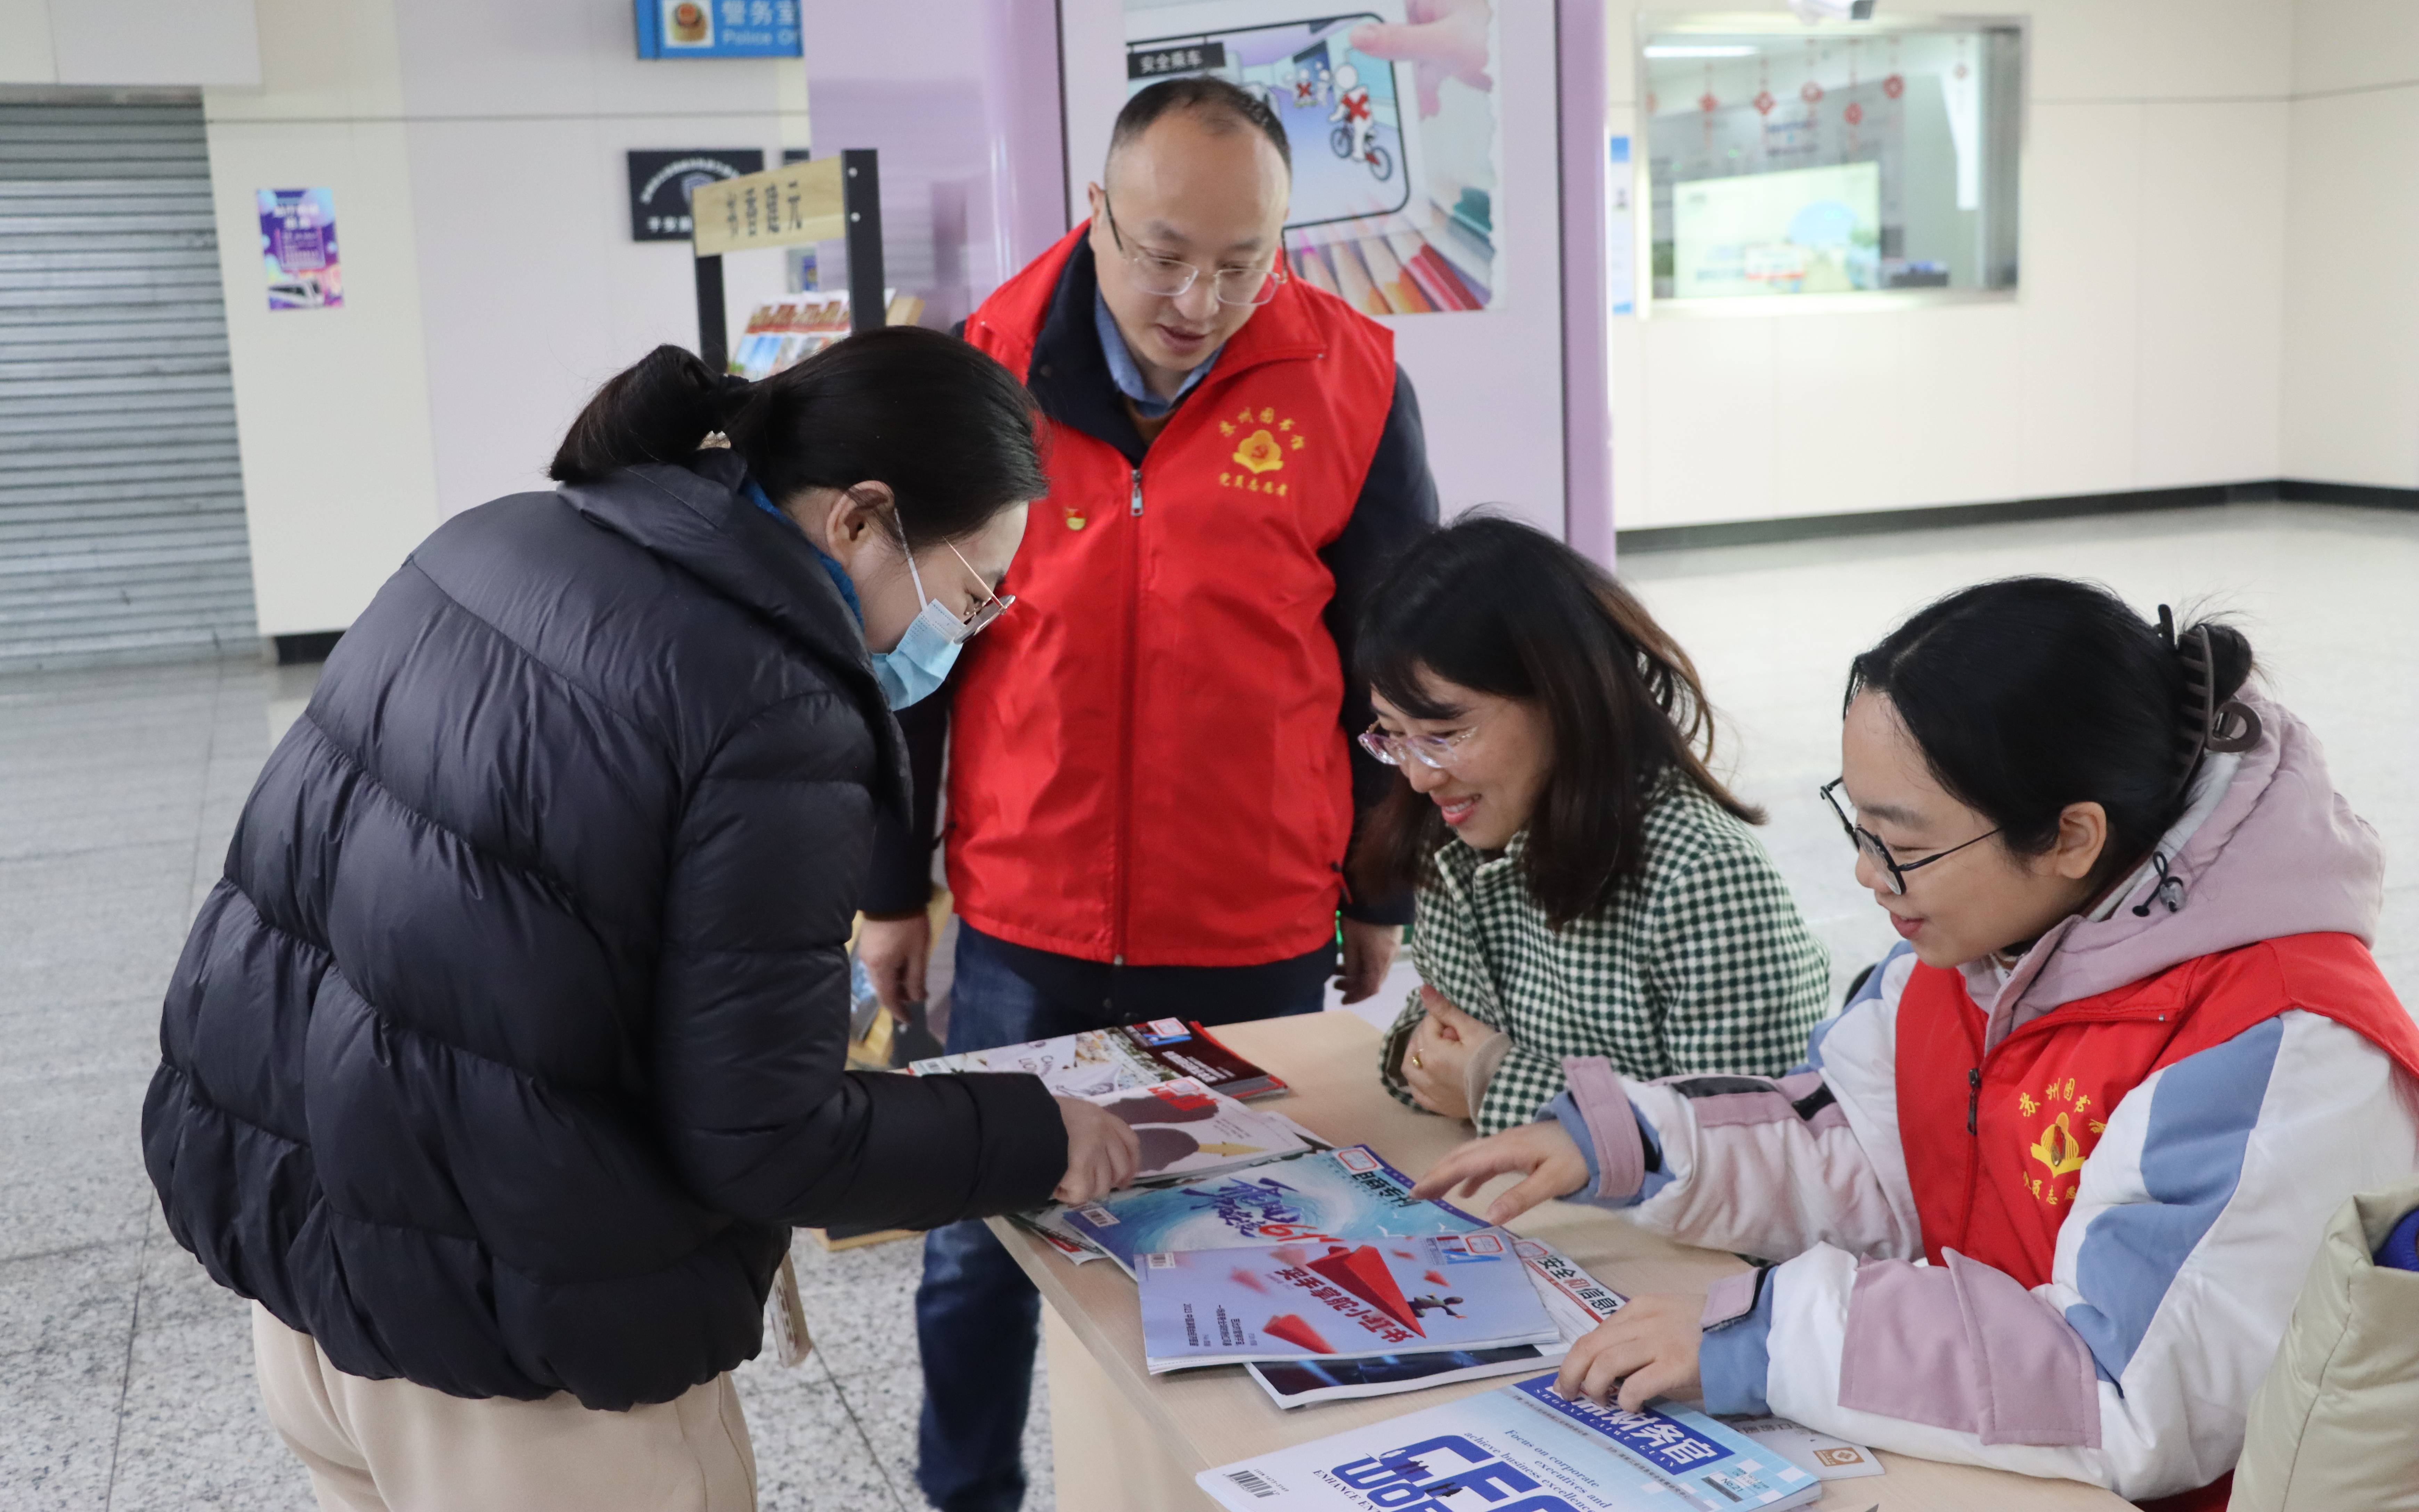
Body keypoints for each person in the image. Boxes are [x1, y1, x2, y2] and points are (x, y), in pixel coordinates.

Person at [139, 332, 1142, 1512]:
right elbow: (766, 1138)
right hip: (514, 1366)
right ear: (860, 522)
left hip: (312, 1275)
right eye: (969, 593)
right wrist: (1031, 1134)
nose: (961, 636)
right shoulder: (776, 709)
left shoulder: (504, 535)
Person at [1414, 578, 2419, 1512]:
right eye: (1857, 824)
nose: (1864, 873)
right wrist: (1638, 1139)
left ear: (2072, 836)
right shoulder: (1984, 946)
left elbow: (2121, 1388)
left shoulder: (2281, 1049)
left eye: (1903, 843)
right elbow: (1871, 1154)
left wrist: (1768, 1340)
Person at [856, 75, 1437, 1512]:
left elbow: (1394, 664)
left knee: (1241, 1243)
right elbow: (908, 652)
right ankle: (967, 1493)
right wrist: (888, 884)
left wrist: (1377, 889)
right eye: (1166, 250)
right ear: (1096, 215)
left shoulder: (1353, 374)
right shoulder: (978, 366)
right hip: (1024, 912)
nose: (1201, 295)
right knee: (978, 1245)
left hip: (1247, 915)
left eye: (1245, 260)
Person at [1353, 516, 1831, 1134]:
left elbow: (1749, 1140)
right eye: (1393, 735)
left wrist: (1496, 1082)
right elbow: (1433, 1040)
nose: (1419, 777)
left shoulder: (1703, 877)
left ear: (1564, 696)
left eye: (1446, 735)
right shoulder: (1457, 836)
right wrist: (1429, 1061)